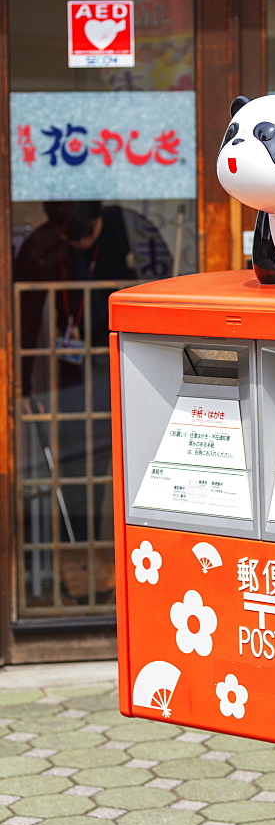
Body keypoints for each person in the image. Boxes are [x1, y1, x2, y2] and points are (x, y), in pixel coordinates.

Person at [14, 201, 137, 559]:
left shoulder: (122, 226)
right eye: (73, 238)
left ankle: (121, 555)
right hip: (71, 368)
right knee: (78, 464)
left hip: (117, 357)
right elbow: (26, 318)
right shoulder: (43, 246)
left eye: (90, 234)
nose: (82, 242)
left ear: (100, 219)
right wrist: (21, 384)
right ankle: (80, 554)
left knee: (121, 462)